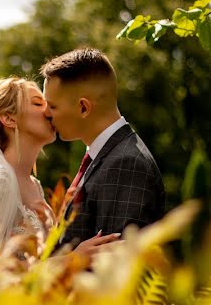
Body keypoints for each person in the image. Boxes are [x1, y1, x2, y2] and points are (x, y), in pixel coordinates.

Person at [0, 76, 118, 261]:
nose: (49, 112)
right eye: (38, 104)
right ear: (9, 118)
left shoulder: (34, 185)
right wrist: (71, 261)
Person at [41, 48, 165, 248]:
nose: (46, 114)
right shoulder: (105, 156)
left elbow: (113, 266)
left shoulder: (126, 164)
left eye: (52, 106)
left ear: (83, 107)